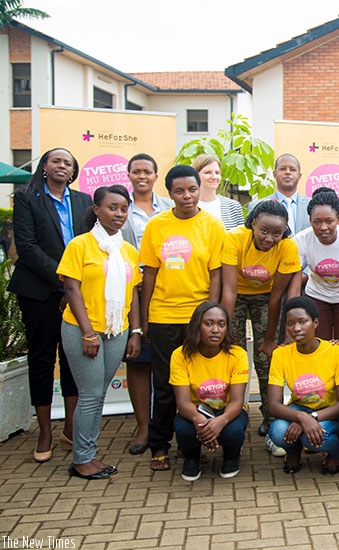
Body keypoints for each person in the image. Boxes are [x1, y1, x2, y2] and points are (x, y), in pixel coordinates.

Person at [139, 165, 226, 471]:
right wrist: (146, 317)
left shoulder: (213, 226)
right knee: (164, 384)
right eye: (179, 191)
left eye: (192, 189)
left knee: (195, 385)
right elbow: (149, 273)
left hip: (198, 318)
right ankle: (159, 445)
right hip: (163, 314)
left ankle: (187, 443)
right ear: (170, 193)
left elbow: (216, 274)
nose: (187, 196)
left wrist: (211, 315)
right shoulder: (156, 225)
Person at [9, 148, 92, 463]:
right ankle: (44, 429)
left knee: (72, 358)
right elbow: (27, 247)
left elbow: (91, 245)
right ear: (44, 166)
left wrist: (73, 287)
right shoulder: (28, 198)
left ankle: (70, 426)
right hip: (39, 292)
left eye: (67, 162)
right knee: (42, 358)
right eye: (55, 160)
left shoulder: (84, 201)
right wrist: (64, 281)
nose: (61, 165)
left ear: (73, 170)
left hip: (75, 293)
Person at [57, 185, 142, 479]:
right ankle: (82, 459)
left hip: (117, 330)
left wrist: (135, 331)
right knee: (90, 395)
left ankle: (87, 454)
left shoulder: (128, 251)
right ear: (96, 210)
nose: (118, 214)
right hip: (84, 330)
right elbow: (71, 289)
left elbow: (132, 294)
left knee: (98, 395)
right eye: (111, 208)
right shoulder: (79, 245)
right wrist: (88, 332)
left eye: (123, 209)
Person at [221, 200, 302, 437]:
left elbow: (277, 297)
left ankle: (270, 416)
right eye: (264, 231)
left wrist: (269, 339)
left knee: (266, 359)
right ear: (253, 223)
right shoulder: (234, 238)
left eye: (276, 233)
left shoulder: (287, 246)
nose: (269, 238)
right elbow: (229, 291)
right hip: (236, 295)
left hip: (266, 296)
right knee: (231, 355)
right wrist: (225, 330)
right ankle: (230, 413)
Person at [121, 153, 173, 456]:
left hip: (164, 289)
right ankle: (143, 426)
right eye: (136, 171)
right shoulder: (119, 206)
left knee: (167, 367)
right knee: (139, 359)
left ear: (155, 176)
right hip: (132, 288)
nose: (142, 176)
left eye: (147, 171)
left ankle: (169, 425)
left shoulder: (169, 207)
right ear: (128, 175)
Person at [268, 297, 339, 475]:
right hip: (299, 408)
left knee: (315, 438)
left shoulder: (336, 352)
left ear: (315, 323)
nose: (296, 328)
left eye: (302, 322)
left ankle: (336, 453)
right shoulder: (281, 354)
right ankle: (293, 452)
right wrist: (301, 417)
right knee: (277, 432)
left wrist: (312, 417)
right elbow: (274, 404)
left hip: (330, 412)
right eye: (290, 323)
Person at [171, 302, 249, 481]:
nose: (215, 329)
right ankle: (191, 458)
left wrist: (220, 422)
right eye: (209, 324)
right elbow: (182, 403)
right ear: (197, 325)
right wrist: (201, 422)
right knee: (184, 430)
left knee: (233, 431)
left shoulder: (238, 354)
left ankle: (231, 457)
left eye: (221, 324)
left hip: (227, 411)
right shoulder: (180, 355)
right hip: (195, 411)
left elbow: (237, 401)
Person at [294, 187, 339, 345]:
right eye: (317, 222)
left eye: (329, 221)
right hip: (316, 296)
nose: (323, 227)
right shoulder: (301, 240)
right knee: (319, 346)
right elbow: (294, 283)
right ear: (310, 221)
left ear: (338, 219)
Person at [248, 153, 311, 234]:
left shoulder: (312, 206)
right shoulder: (257, 206)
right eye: (283, 169)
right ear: (274, 174)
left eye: (292, 169)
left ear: (299, 176)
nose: (288, 172)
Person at [192, 154, 244, 230]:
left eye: (217, 172)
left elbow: (242, 238)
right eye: (208, 172)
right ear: (195, 175)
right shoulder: (188, 206)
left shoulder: (233, 207)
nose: (214, 177)